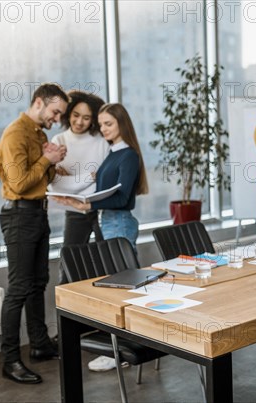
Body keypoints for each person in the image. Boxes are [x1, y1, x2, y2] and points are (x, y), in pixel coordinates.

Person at [52, 103, 148, 371]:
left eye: (109, 124)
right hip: (109, 221)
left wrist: (88, 206)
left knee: (123, 289)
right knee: (118, 287)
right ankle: (121, 347)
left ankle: (121, 351)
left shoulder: (127, 155)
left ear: (121, 125)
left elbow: (122, 196)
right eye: (102, 124)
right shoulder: (113, 152)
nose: (103, 128)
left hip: (118, 222)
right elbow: (104, 187)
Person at [0, 83, 69, 384]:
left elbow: (42, 178)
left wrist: (53, 161)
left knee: (38, 282)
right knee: (19, 289)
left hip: (37, 212)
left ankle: (39, 345)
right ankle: (10, 361)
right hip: (20, 215)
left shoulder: (38, 134)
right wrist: (47, 161)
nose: (56, 119)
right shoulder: (16, 134)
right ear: (38, 102)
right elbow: (20, 183)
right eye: (55, 112)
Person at [49, 90, 109, 284]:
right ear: (68, 113)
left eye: (86, 118)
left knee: (109, 263)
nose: (79, 122)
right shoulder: (59, 141)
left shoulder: (102, 142)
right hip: (74, 211)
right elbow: (58, 185)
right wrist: (91, 176)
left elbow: (105, 180)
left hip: (102, 209)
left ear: (93, 119)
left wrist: (73, 180)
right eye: (75, 115)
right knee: (69, 267)